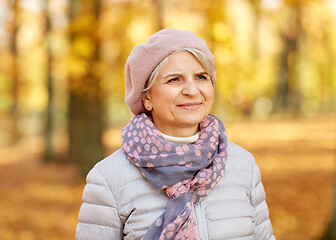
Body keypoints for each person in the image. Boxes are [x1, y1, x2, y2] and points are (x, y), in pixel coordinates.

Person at [75, 28, 275, 240]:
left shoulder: (243, 165)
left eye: (201, 77)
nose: (191, 90)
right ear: (147, 98)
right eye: (174, 80)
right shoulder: (108, 179)